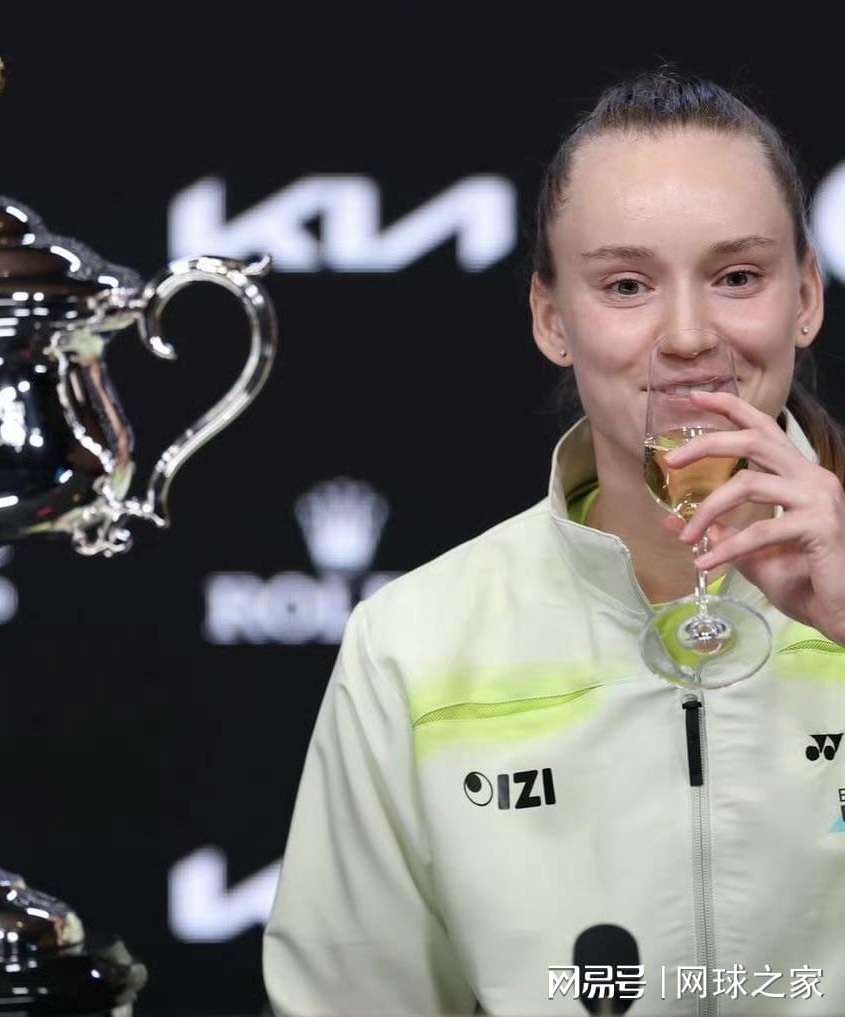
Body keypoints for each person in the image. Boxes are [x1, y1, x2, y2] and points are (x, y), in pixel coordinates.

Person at [263, 70, 845, 1016]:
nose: (688, 334)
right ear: (552, 319)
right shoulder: (413, 644)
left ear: (807, 296)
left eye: (738, 276)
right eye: (627, 285)